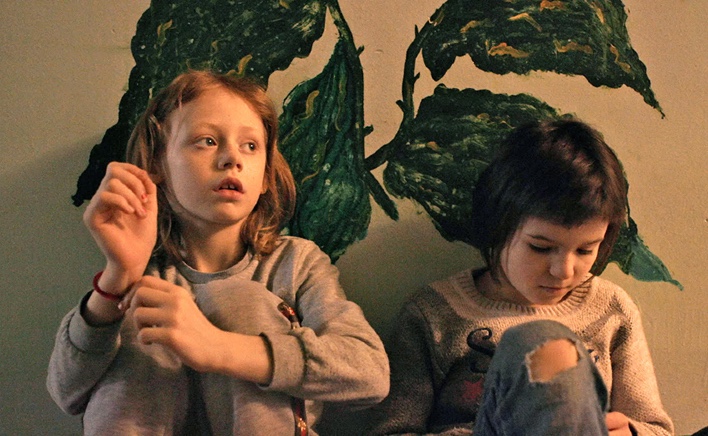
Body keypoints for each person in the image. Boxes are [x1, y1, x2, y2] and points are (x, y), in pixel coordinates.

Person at [47, 70, 389, 435]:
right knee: (138, 309)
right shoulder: (145, 274)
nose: (231, 158)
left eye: (251, 146)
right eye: (207, 141)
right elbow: (65, 392)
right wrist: (118, 277)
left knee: (238, 300)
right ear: (158, 164)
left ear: (265, 177)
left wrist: (218, 347)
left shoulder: (297, 263)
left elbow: (370, 373)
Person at [368, 119, 673, 435]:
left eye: (585, 250)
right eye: (541, 248)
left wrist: (630, 432)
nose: (563, 271)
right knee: (545, 343)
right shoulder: (435, 313)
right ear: (498, 225)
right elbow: (391, 431)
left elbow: (657, 428)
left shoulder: (611, 309)